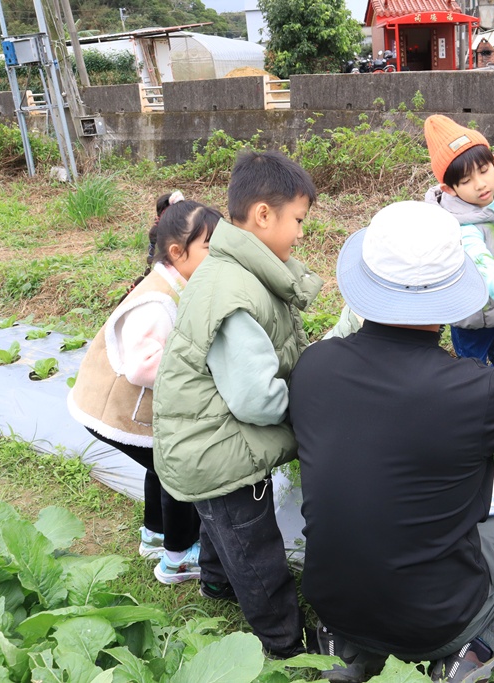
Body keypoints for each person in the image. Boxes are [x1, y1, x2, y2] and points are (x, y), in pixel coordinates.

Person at [290, 201, 494, 683]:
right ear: (451, 291)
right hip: (434, 618)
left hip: (332, 596)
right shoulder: (477, 392)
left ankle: (346, 650)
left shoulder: (315, 366)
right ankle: (472, 651)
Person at [152, 151, 324, 658]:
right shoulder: (234, 292)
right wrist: (309, 405)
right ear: (263, 215)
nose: (300, 234)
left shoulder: (233, 269)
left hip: (199, 440)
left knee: (220, 527)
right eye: (298, 220)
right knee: (255, 549)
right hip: (215, 449)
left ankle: (216, 584)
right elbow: (257, 400)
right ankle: (282, 643)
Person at [68, 191, 217, 584]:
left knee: (159, 465)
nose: (218, 258)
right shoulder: (157, 300)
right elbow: (142, 366)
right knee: (177, 473)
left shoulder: (171, 282)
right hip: (118, 409)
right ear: (177, 251)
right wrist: (199, 372)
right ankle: (179, 557)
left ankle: (155, 534)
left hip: (116, 405)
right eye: (209, 248)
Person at [424, 115, 494, 371]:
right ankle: (477, 384)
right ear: (449, 189)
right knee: (472, 357)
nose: (480, 184)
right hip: (473, 310)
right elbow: (477, 257)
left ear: (493, 162)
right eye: (466, 181)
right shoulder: (459, 223)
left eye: (483, 171)